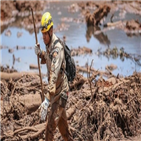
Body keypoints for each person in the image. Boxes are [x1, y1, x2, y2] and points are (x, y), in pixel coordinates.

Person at [34, 12, 73, 141]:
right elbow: (49, 59)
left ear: (51, 30)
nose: (43, 37)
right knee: (64, 130)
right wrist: (41, 54)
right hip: (56, 93)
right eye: (42, 33)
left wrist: (46, 100)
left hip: (60, 94)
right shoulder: (49, 45)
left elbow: (54, 75)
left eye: (46, 33)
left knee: (50, 128)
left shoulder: (57, 49)